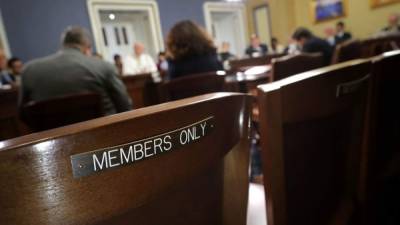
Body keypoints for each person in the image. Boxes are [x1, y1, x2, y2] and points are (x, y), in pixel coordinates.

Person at [20, 26, 132, 115]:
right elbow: (125, 106)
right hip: (104, 135)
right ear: (87, 47)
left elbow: (23, 113)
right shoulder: (104, 66)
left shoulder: (29, 70)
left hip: (51, 139)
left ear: (63, 45)